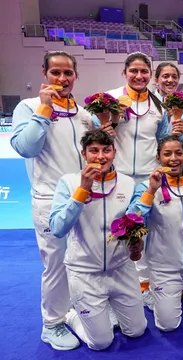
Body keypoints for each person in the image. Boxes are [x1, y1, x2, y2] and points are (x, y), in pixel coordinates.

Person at [10, 51, 94, 350]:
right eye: (55, 72)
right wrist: (44, 110)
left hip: (83, 196)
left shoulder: (84, 115)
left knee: (82, 259)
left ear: (76, 76)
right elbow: (26, 148)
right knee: (56, 264)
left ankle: (75, 310)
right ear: (44, 72)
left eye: (67, 73)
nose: (62, 79)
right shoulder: (28, 107)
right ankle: (52, 323)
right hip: (49, 200)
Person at [101, 52, 183, 311]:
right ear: (124, 72)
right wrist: (107, 125)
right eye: (134, 71)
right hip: (119, 177)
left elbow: (161, 141)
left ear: (150, 74)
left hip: (149, 177)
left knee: (144, 233)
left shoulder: (159, 103)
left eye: (144, 71)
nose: (139, 76)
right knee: (115, 232)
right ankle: (111, 290)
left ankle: (145, 285)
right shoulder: (111, 99)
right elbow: (97, 137)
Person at [49, 129, 146, 350]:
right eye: (94, 151)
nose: (100, 156)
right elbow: (57, 228)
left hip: (121, 269)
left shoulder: (128, 183)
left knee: (136, 331)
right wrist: (83, 190)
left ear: (114, 152)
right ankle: (72, 316)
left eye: (106, 150)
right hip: (85, 272)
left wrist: (137, 243)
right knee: (100, 343)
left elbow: (135, 224)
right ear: (84, 154)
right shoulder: (69, 182)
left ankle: (106, 309)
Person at [126, 136, 183, 331]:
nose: (173, 158)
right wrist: (151, 190)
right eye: (167, 154)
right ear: (159, 158)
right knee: (167, 326)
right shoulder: (145, 186)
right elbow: (133, 218)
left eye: (178, 153)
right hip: (163, 266)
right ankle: (157, 291)